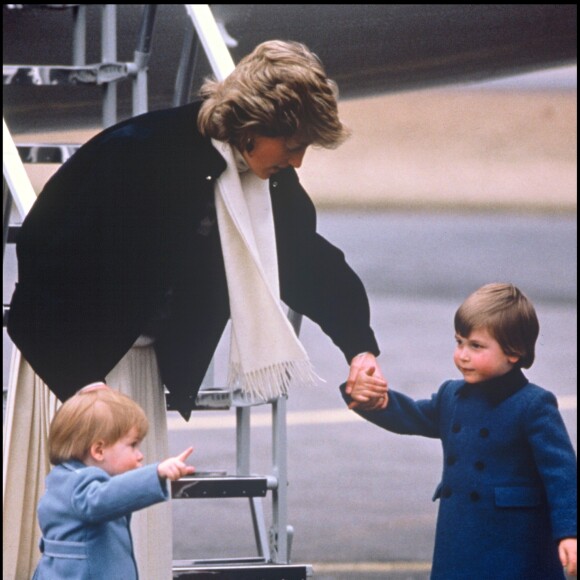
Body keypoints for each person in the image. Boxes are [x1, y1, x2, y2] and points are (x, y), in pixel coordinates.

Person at [5, 40, 386, 579]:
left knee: (134, 544)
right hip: (68, 369)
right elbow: (44, 258)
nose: (298, 159)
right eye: (294, 143)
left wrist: (360, 346)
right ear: (252, 126)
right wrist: (82, 383)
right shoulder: (139, 152)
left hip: (131, 371)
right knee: (64, 546)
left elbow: (307, 263)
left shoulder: (264, 179)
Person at [341, 283, 577, 579]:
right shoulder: (452, 395)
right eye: (459, 342)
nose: (462, 355)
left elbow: (562, 475)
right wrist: (376, 402)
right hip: (460, 535)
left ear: (514, 351)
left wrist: (569, 532)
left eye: (476, 346)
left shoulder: (534, 405)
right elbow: (412, 416)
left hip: (515, 542)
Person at [32, 386, 195, 580]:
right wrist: (156, 473)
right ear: (98, 450)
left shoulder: (62, 478)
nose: (140, 455)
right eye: (133, 445)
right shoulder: (82, 486)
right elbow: (102, 498)